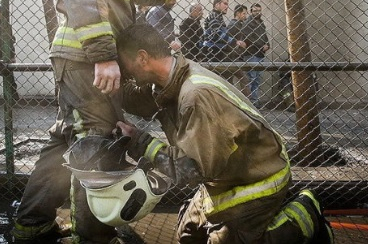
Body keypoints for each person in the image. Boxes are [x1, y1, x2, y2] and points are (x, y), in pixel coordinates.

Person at [12, 0, 204, 242]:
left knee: (64, 142)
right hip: (86, 58)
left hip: (85, 59)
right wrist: (103, 54)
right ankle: (94, 235)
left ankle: (31, 226)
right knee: (97, 143)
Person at [115, 23, 334, 244]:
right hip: (223, 177)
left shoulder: (196, 95)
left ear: (142, 58)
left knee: (223, 242)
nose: (125, 71)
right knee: (188, 235)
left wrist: (140, 142)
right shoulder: (168, 80)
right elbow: (138, 100)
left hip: (258, 178)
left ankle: (306, 214)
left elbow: (191, 170)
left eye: (124, 64)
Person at [202, 0, 246, 67]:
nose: (227, 6)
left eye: (227, 4)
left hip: (216, 52)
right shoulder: (214, 15)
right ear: (217, 4)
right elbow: (217, 34)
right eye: (225, 4)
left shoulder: (218, 16)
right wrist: (235, 42)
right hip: (212, 52)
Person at [243, 3, 269, 107]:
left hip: (259, 54)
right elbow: (249, 39)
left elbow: (264, 36)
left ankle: (254, 101)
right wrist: (261, 45)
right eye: (255, 11)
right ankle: (249, 102)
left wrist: (267, 44)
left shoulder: (261, 23)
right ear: (251, 12)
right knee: (251, 78)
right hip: (251, 54)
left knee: (257, 79)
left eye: (259, 10)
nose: (257, 13)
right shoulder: (248, 23)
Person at [226, 4, 250, 96]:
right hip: (233, 58)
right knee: (244, 80)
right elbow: (227, 40)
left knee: (229, 81)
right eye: (244, 13)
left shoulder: (237, 24)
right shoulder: (234, 25)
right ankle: (248, 103)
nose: (245, 16)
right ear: (238, 13)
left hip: (233, 58)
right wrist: (238, 43)